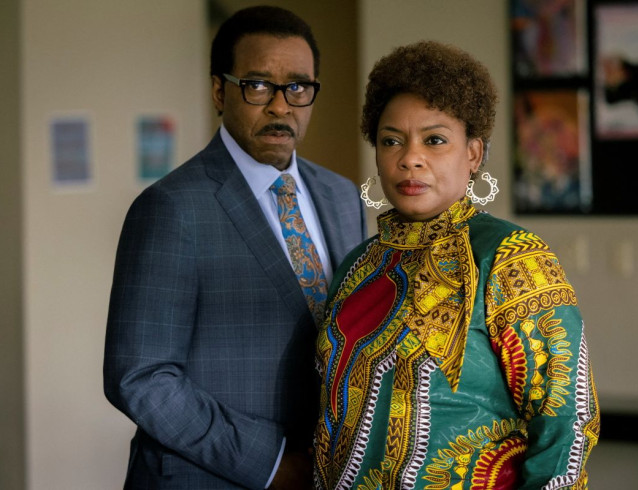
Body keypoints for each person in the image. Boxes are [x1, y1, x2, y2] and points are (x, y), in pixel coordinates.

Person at [313, 41, 599, 489]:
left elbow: (566, 418)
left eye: (435, 140)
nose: (410, 157)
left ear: (473, 153)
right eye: (392, 140)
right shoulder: (358, 265)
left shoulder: (509, 255)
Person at [103, 6, 366, 489]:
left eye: (299, 87)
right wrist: (272, 464)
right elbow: (139, 376)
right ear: (220, 91)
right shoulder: (169, 207)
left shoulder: (343, 196)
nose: (281, 106)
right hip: (208, 477)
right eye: (259, 85)